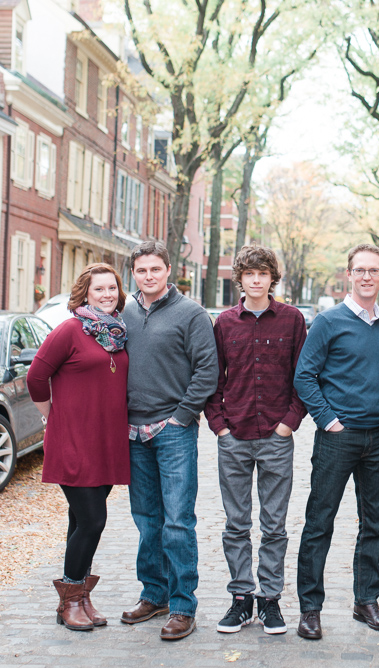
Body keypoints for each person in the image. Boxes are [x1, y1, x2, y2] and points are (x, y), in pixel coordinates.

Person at [292, 243, 379, 640]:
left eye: (374, 270)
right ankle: (310, 608)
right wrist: (328, 420)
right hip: (338, 438)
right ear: (348, 274)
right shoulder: (327, 322)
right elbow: (305, 376)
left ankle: (365, 600)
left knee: (375, 522)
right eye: (360, 270)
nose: (367, 276)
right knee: (320, 521)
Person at [205, 246, 307, 636]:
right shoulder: (225, 324)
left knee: (275, 525)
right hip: (234, 435)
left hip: (276, 437)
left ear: (272, 278)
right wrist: (219, 425)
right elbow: (213, 378)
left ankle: (270, 600)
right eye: (249, 273)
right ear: (241, 279)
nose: (256, 279)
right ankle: (240, 599)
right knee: (235, 524)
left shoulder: (293, 320)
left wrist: (289, 423)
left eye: (263, 273)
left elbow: (304, 374)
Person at [120, 241, 219, 641]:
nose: (148, 276)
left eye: (155, 270)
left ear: (168, 270)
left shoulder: (191, 314)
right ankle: (154, 594)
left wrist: (180, 418)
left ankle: (182, 606)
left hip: (173, 432)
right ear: (134, 273)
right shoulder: (123, 313)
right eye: (141, 270)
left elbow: (207, 371)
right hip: (132, 431)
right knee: (147, 521)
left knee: (178, 522)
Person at [26, 263, 130, 631]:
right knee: (93, 520)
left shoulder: (118, 332)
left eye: (112, 289)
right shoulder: (70, 330)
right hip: (74, 440)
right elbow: (36, 376)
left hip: (106, 441)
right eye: (99, 289)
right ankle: (70, 598)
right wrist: (50, 416)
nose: (106, 295)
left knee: (79, 521)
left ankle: (82, 598)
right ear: (85, 293)